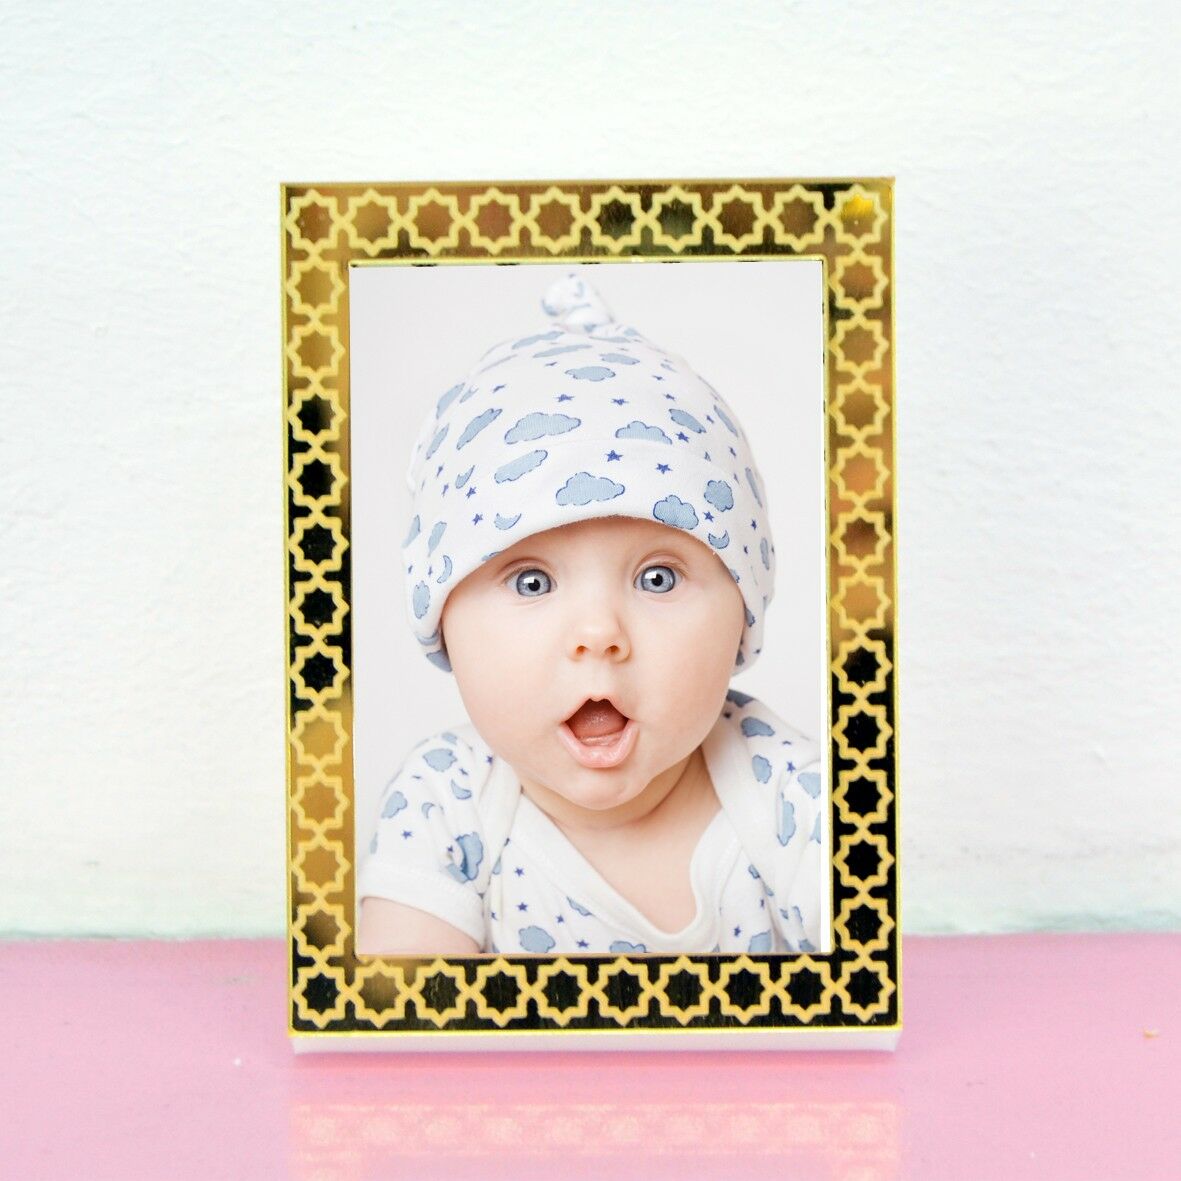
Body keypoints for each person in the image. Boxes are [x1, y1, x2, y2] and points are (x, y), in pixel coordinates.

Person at [356, 273, 826, 956]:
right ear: (442, 623)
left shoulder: (791, 799)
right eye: (531, 581)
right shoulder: (445, 804)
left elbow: (871, 993)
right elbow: (402, 1008)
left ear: (743, 617)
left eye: (658, 578)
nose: (598, 634)